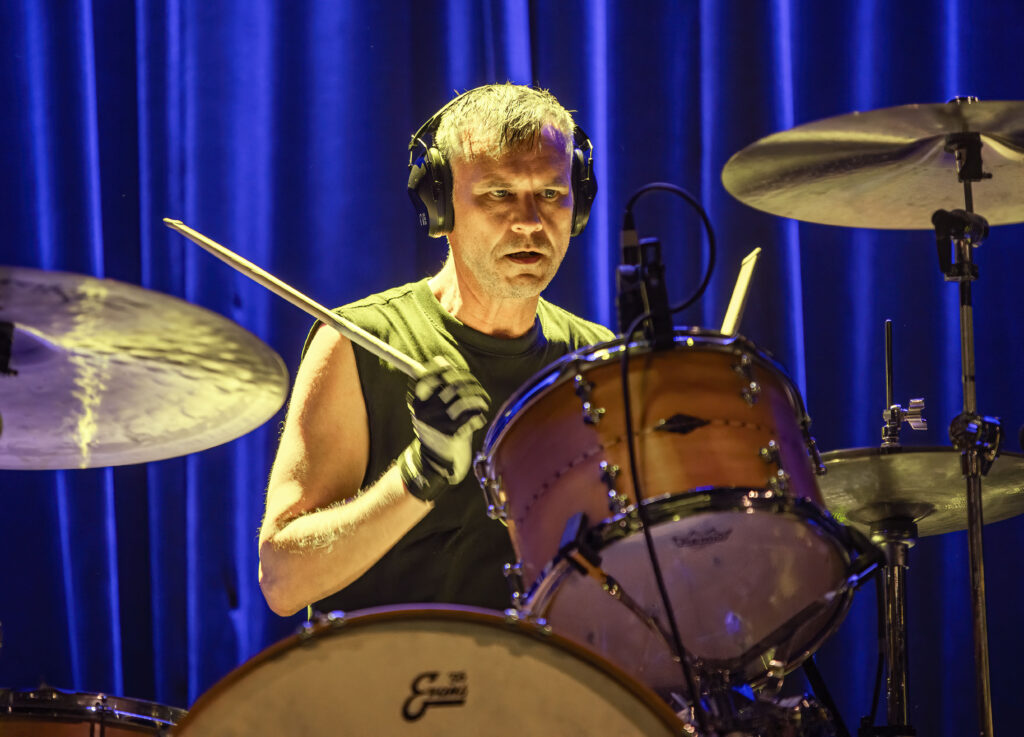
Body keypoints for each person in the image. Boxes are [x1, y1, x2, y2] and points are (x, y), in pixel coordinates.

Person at [258, 83, 614, 617]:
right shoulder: (358, 344)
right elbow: (282, 582)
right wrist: (419, 474)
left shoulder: (596, 359)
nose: (530, 221)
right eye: (498, 194)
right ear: (440, 206)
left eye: (551, 193)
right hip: (390, 667)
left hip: (541, 668)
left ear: (579, 206)